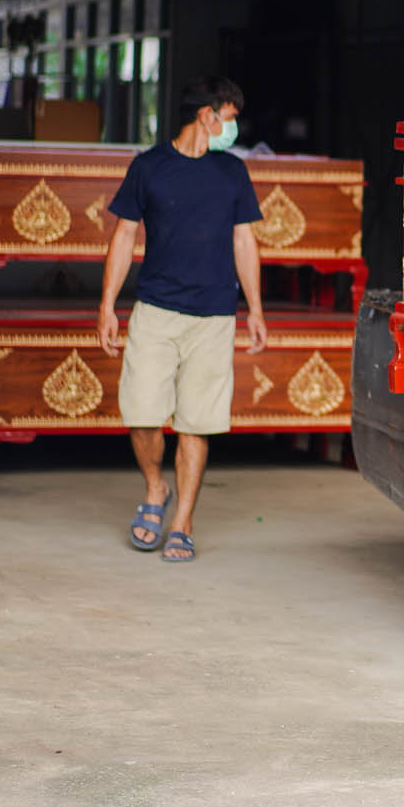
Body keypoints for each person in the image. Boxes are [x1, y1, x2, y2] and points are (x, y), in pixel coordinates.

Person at [98, 75, 268, 563]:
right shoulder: (149, 167)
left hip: (213, 317)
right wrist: (107, 305)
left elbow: (244, 241)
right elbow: (124, 235)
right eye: (230, 118)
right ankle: (156, 487)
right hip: (155, 311)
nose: (233, 129)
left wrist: (255, 308)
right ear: (206, 115)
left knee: (197, 422)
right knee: (142, 416)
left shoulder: (232, 172)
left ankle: (183, 521)